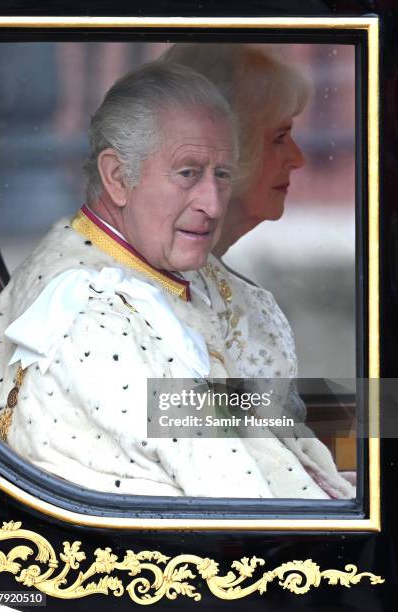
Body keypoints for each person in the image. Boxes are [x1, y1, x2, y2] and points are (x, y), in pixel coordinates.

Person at [0, 60, 351, 499]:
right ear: (117, 177)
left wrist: (381, 415)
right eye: (188, 173)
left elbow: (219, 414)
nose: (211, 203)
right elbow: (237, 500)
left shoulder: (157, 271)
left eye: (222, 175)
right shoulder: (95, 318)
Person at [161, 44, 355, 499]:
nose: (299, 159)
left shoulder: (214, 280)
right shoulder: (138, 292)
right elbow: (170, 415)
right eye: (280, 137)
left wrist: (382, 411)